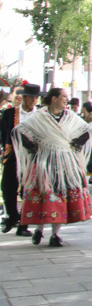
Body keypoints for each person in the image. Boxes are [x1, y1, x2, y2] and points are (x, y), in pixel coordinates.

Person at [12, 87, 92, 247]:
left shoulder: (70, 116)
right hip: (44, 160)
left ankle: (55, 234)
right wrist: (32, 146)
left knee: (61, 196)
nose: (66, 99)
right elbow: (19, 131)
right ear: (54, 98)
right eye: (63, 96)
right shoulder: (40, 116)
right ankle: (39, 230)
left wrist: (76, 144)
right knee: (44, 194)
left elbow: (87, 131)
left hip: (65, 161)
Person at [0, 85, 38, 236]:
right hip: (13, 155)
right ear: (24, 97)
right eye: (31, 97)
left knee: (28, 190)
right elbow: (3, 133)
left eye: (36, 98)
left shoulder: (40, 115)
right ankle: (12, 216)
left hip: (32, 157)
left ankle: (24, 224)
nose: (33, 101)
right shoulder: (10, 113)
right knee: (7, 187)